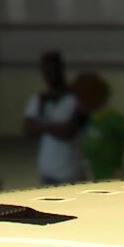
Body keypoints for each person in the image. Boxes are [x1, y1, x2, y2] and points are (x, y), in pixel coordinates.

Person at [73, 73, 124, 181]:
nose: (76, 103)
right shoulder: (91, 119)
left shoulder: (112, 119)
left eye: (79, 98)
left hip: (113, 181)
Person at [21, 51, 84, 186]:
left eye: (53, 70)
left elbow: (69, 131)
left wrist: (42, 125)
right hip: (47, 173)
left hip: (71, 173)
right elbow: (28, 129)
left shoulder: (75, 98)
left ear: (61, 69)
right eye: (46, 71)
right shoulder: (40, 99)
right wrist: (56, 127)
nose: (50, 75)